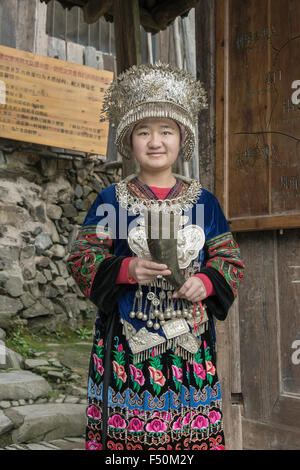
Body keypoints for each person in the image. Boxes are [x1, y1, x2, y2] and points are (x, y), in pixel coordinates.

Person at [66, 63, 245, 451]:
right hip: (125, 345)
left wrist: (207, 281)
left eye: (166, 131)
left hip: (190, 345)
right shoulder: (110, 202)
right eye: (143, 132)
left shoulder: (204, 204)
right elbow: (81, 259)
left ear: (183, 139)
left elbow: (229, 261)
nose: (155, 141)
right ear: (129, 140)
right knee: (129, 442)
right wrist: (126, 269)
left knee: (189, 438)